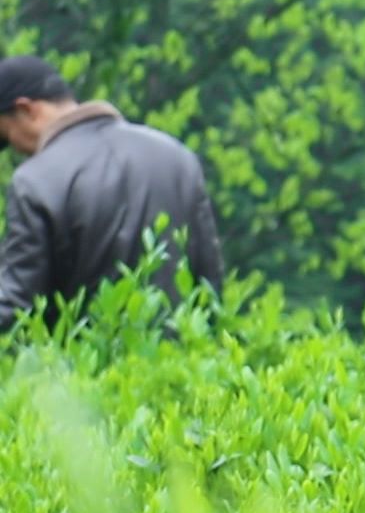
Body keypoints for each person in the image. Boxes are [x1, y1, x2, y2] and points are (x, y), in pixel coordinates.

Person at [0, 56, 224, 332]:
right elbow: (209, 282)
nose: (15, 148)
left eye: (6, 136)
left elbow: (18, 304)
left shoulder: (36, 181)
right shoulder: (176, 157)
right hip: (180, 363)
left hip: (86, 368)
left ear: (25, 109)